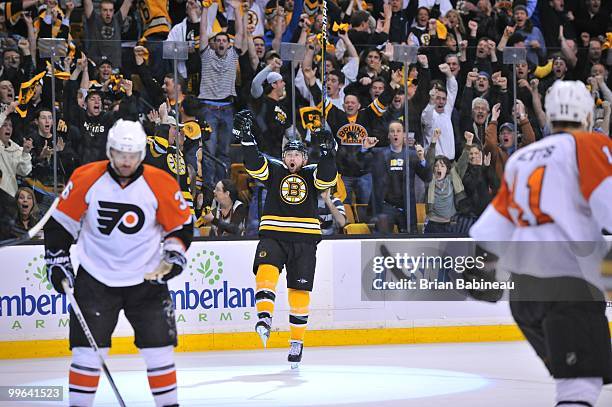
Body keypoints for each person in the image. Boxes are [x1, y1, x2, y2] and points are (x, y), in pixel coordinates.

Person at [470, 81, 612, 407]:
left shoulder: (523, 157)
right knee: (580, 386)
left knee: (577, 377)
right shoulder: (589, 145)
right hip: (569, 285)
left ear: (550, 114)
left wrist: (482, 274)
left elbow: (496, 223)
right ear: (588, 115)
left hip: (524, 296)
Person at [43, 119, 193, 407]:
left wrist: (173, 255)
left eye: (133, 155)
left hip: (147, 279)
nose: (126, 162)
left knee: (160, 351)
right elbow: (60, 226)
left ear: (142, 154)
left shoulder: (160, 182)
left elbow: (180, 227)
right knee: (86, 354)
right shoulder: (86, 177)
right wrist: (58, 260)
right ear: (110, 151)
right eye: (121, 155)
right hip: (95, 279)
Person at [234, 109, 337, 367]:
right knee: (265, 271)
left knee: (298, 290)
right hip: (274, 234)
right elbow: (255, 164)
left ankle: (297, 340)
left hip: (304, 239)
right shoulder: (276, 170)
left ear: (304, 157)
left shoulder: (311, 173)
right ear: (284, 157)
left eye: (297, 155)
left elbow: (327, 177)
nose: (292, 158)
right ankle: (264, 317)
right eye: (289, 154)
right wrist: (247, 138)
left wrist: (327, 153)